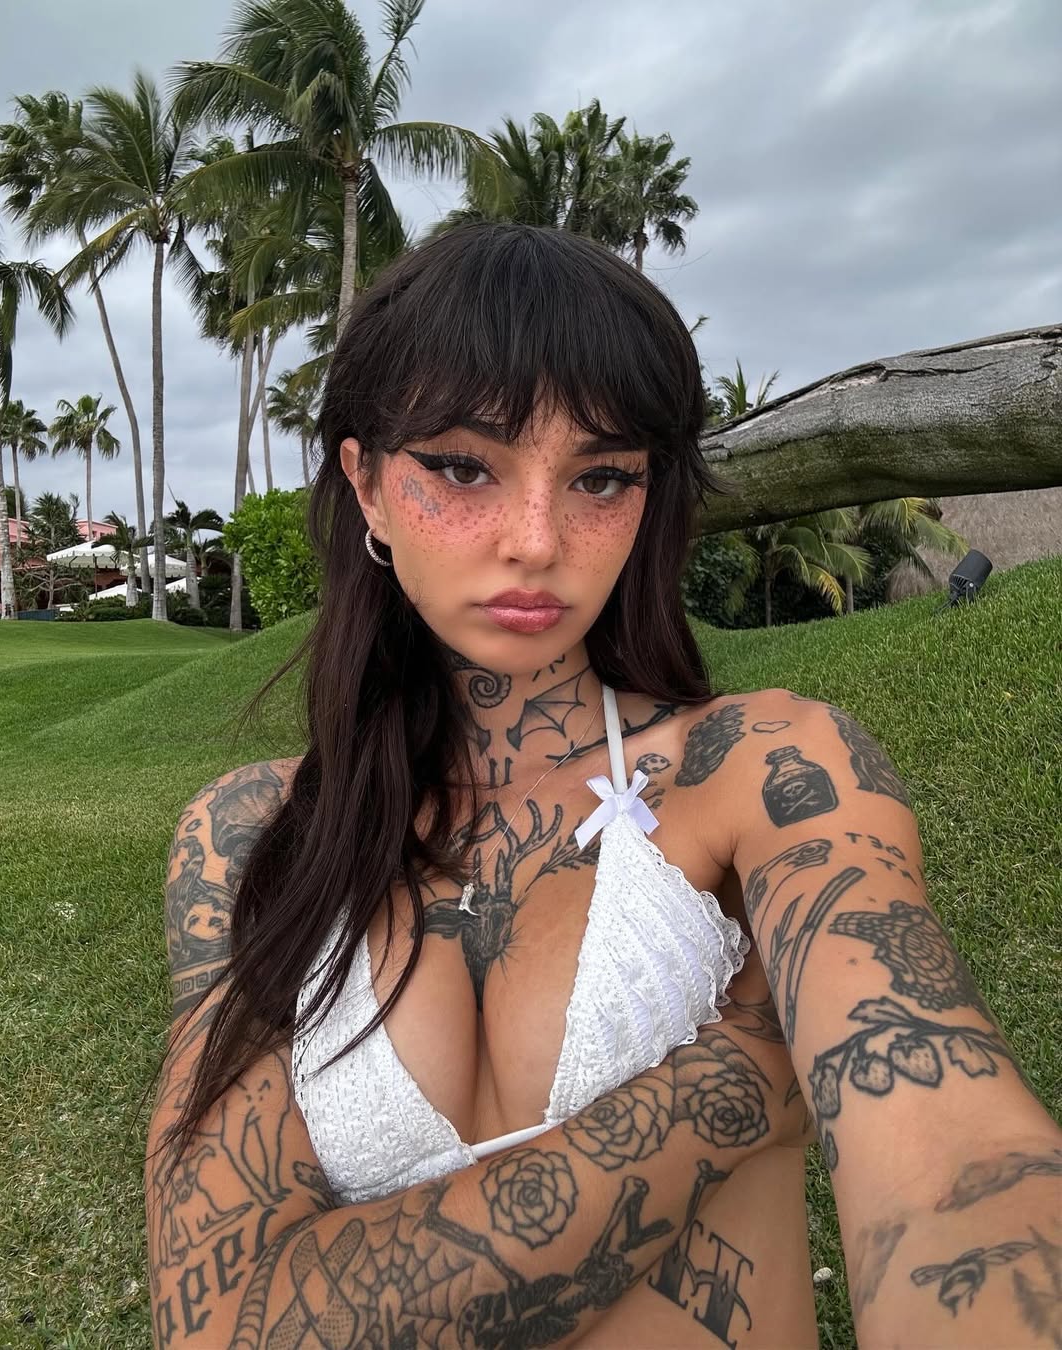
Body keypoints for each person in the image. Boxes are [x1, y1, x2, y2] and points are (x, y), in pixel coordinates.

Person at [145, 222, 1060, 1349]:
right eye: (463, 467)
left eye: (601, 477)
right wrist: (738, 1071)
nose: (537, 539)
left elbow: (956, 1160)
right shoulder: (250, 836)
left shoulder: (760, 768)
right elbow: (222, 1323)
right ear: (367, 486)